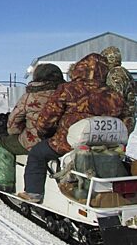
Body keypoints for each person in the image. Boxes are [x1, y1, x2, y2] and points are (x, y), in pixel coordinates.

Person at [18, 53, 125, 203]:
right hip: (106, 143)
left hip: (67, 142)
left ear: (79, 69)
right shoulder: (113, 95)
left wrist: (44, 132)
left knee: (37, 153)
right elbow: (123, 118)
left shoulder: (67, 89)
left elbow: (47, 118)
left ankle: (34, 193)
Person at [0, 63, 65, 192]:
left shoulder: (30, 96)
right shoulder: (67, 94)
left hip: (34, 141)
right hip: (62, 141)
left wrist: (15, 133)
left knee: (3, 144)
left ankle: (4, 182)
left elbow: (14, 120)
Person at [101, 46, 136, 133]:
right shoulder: (125, 72)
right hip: (128, 118)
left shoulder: (114, 74)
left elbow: (115, 99)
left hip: (119, 120)